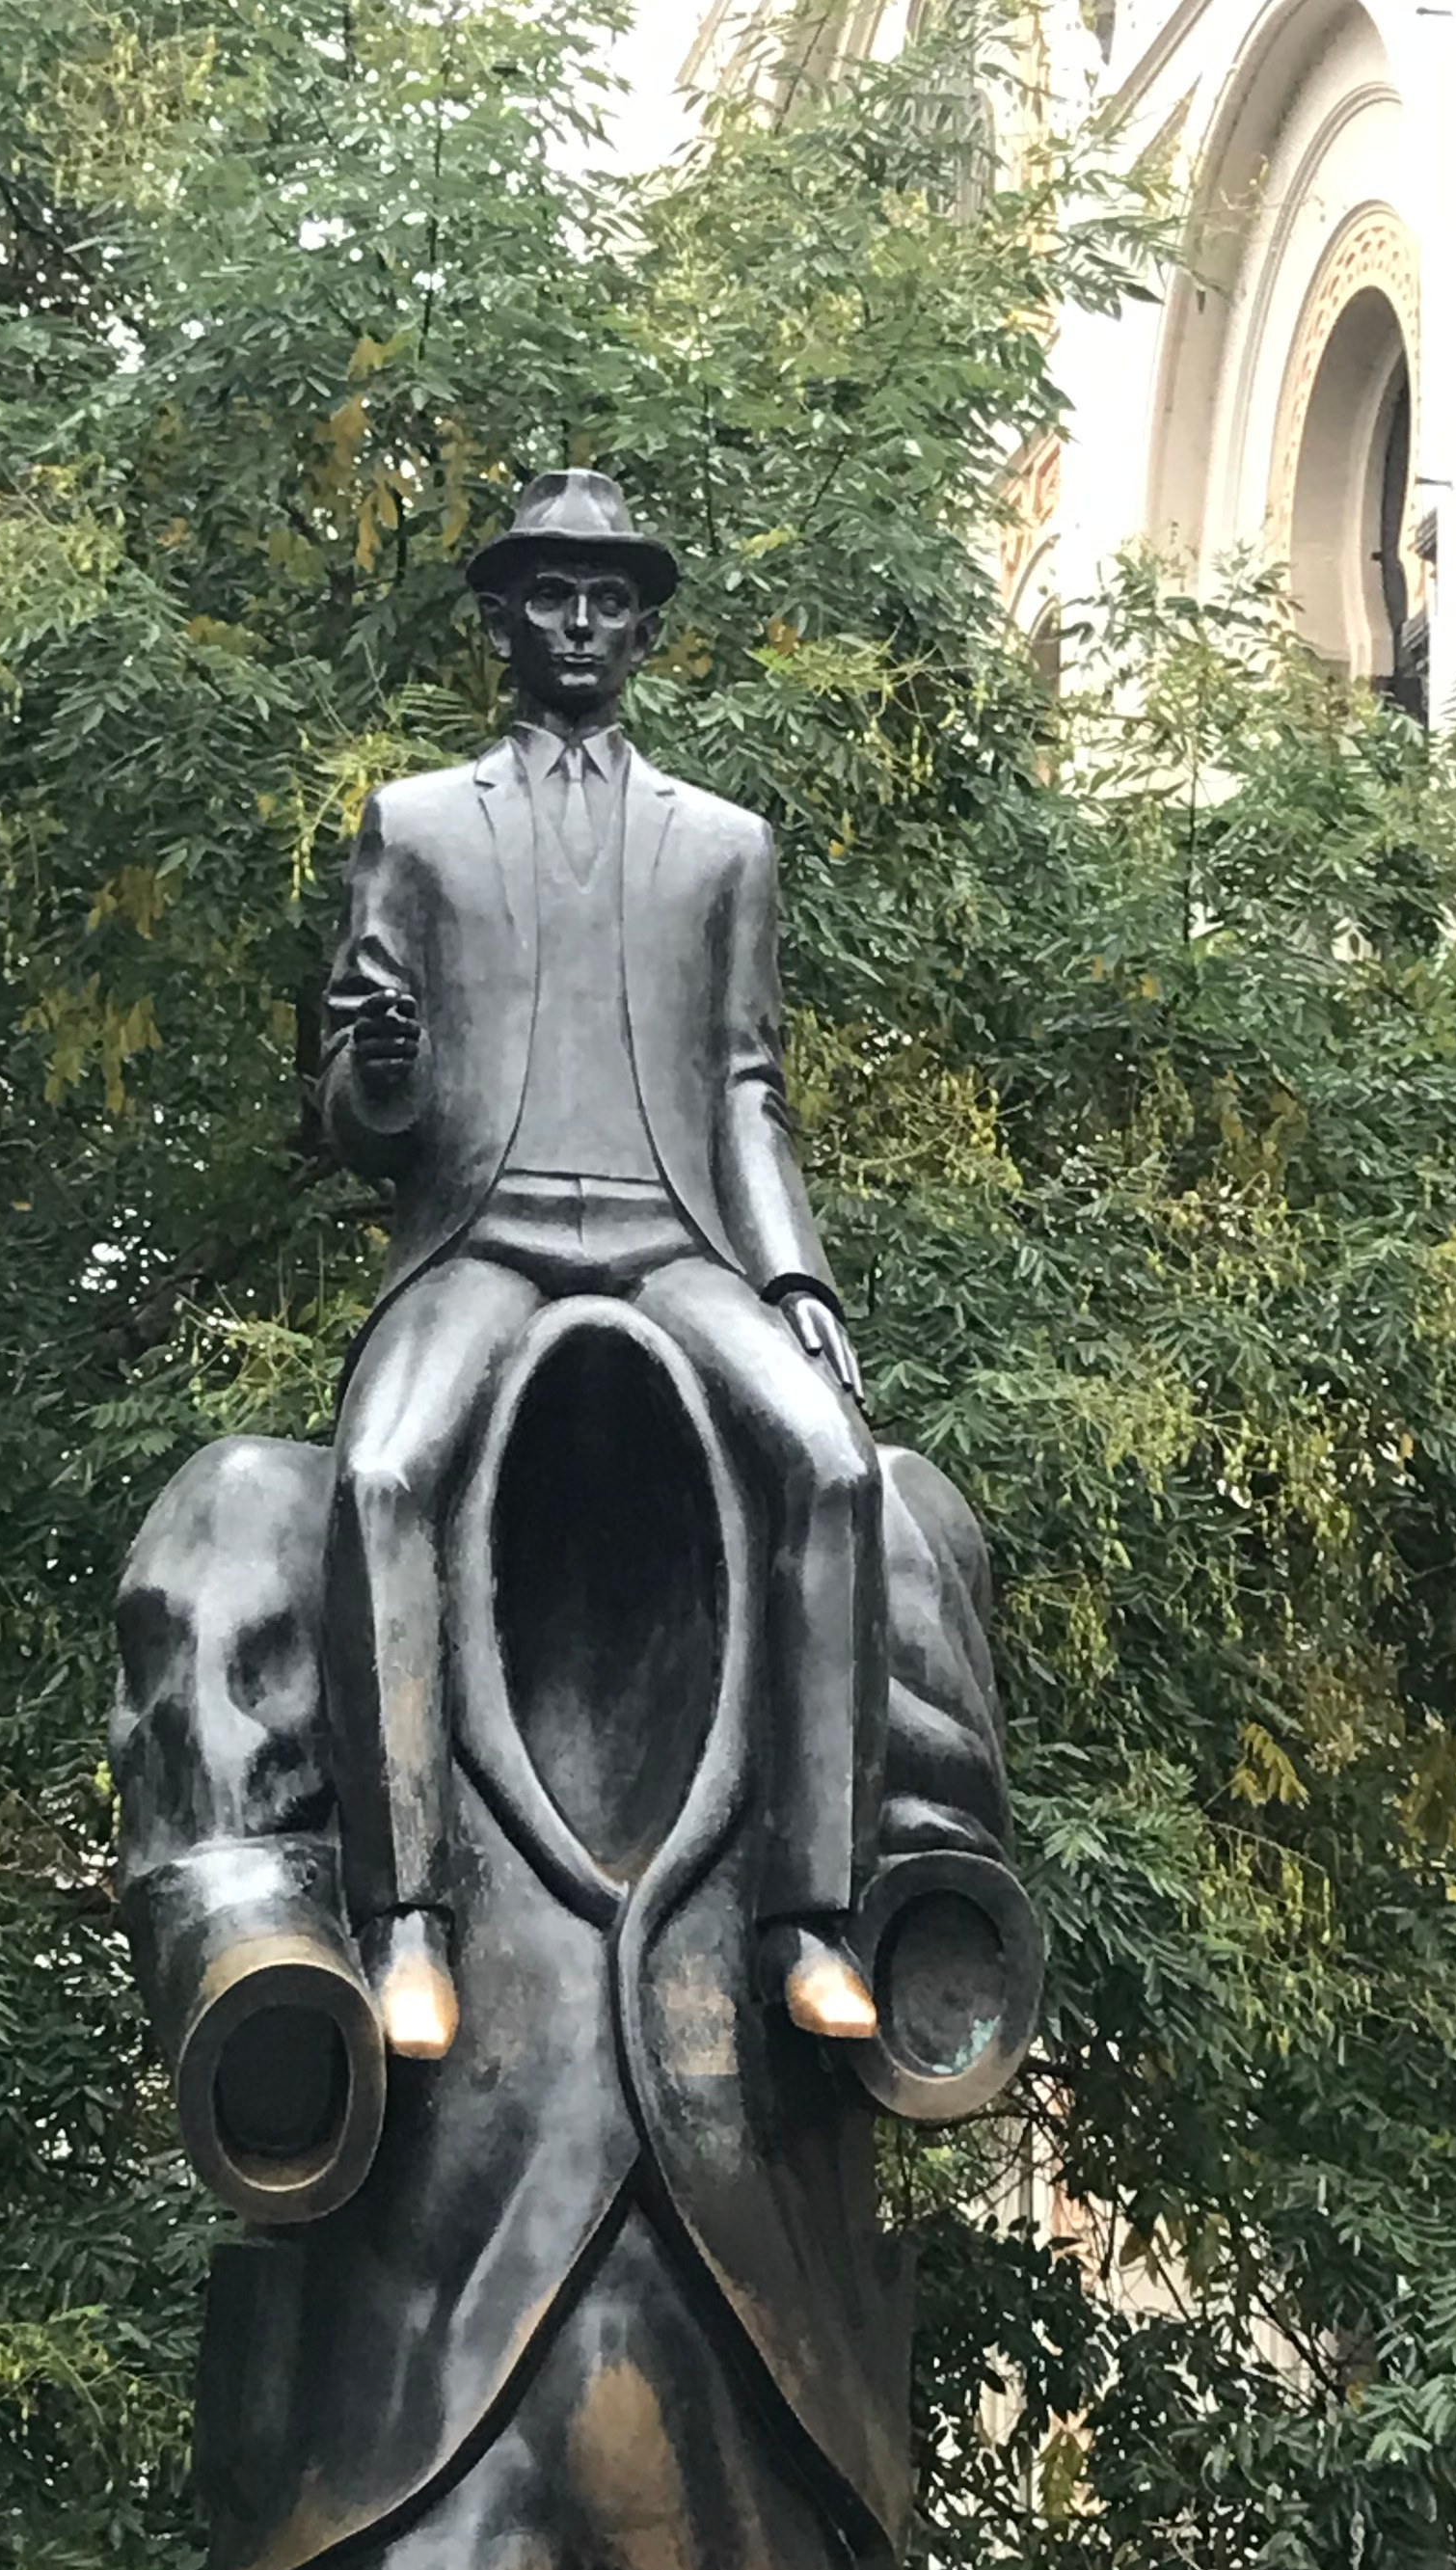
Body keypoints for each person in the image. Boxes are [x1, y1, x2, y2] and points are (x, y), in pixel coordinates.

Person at [319, 468, 882, 2066]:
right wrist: (380, 1075)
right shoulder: (418, 827)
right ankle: (407, 1922)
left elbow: (748, 1092)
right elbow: (356, 1112)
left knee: (836, 1470)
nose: (579, 624)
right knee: (380, 1478)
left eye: (607, 600)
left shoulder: (724, 848)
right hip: (484, 1237)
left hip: (668, 1238)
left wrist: (797, 1285)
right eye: (551, 597)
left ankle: (810, 1922)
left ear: (642, 630)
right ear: (504, 621)